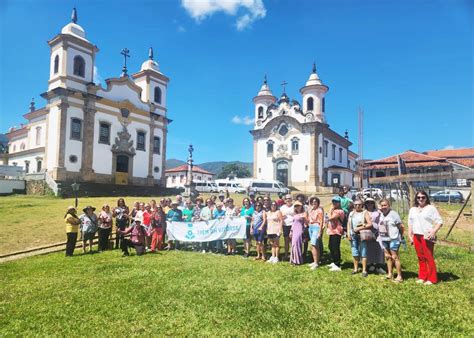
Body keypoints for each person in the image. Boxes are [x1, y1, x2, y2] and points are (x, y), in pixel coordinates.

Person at [408, 191, 443, 285]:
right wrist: (409, 234)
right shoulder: (413, 209)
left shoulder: (431, 208)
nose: (421, 199)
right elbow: (410, 222)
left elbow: (439, 222)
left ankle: (432, 278)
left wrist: (433, 231)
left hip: (426, 236)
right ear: (416, 198)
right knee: (420, 257)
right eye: (418, 197)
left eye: (423, 197)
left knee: (428, 257)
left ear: (426, 198)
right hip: (416, 235)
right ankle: (422, 276)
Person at [379, 199, 404, 282]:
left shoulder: (394, 214)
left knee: (395, 257)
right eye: (382, 205)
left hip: (394, 238)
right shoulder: (381, 214)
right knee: (388, 257)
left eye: (385, 205)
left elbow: (401, 226)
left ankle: (399, 276)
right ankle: (390, 274)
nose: (384, 207)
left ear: (389, 205)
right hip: (384, 238)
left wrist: (400, 236)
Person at [348, 199, 373, 277]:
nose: (357, 206)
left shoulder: (364, 213)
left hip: (362, 235)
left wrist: (360, 228)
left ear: (362, 205)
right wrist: (348, 233)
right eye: (355, 204)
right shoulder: (351, 213)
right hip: (353, 235)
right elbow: (349, 224)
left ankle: (364, 270)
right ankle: (355, 268)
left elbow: (370, 224)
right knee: (354, 252)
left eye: (359, 204)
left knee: (363, 252)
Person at [364, 198, 386, 274]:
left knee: (379, 248)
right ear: (365, 204)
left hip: (378, 233)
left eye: (371, 203)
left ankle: (378, 265)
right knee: (369, 249)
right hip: (367, 233)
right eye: (368, 203)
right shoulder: (364, 212)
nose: (370, 204)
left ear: (374, 204)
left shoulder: (378, 212)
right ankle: (370, 264)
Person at [327, 197, 345, 271]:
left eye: (336, 202)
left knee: (335, 247)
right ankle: (334, 261)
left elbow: (331, 218)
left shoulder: (340, 211)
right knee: (330, 246)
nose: (334, 203)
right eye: (333, 202)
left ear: (339, 203)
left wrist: (329, 211)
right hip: (332, 231)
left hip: (337, 231)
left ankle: (337, 264)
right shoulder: (334, 210)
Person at [308, 196, 324, 270]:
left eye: (315, 202)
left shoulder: (319, 210)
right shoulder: (311, 210)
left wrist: (320, 231)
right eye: (312, 202)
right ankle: (316, 261)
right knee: (315, 245)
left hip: (316, 227)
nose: (314, 203)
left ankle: (316, 263)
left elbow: (321, 222)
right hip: (310, 227)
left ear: (318, 203)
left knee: (314, 245)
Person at [290, 201, 308, 265]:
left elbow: (306, 223)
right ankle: (293, 259)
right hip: (294, 230)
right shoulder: (295, 214)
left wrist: (305, 232)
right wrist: (291, 231)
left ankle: (298, 260)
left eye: (298, 206)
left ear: (301, 206)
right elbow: (293, 224)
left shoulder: (304, 213)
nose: (297, 207)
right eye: (296, 206)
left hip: (300, 230)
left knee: (297, 245)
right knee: (293, 245)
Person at [280, 194, 294, 261]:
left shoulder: (294, 206)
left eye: (289, 198)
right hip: (285, 225)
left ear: (291, 199)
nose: (288, 200)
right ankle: (286, 255)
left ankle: (293, 255)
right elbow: (279, 217)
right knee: (286, 241)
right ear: (285, 200)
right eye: (287, 199)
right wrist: (282, 217)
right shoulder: (282, 207)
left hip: (293, 225)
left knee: (292, 241)